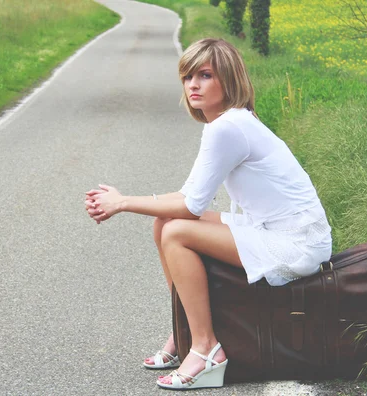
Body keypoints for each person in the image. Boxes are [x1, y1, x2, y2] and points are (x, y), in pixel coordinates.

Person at [84, 38, 332, 390]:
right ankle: (184, 332)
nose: (193, 85)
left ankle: (205, 349)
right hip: (277, 229)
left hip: (295, 241)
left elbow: (190, 205)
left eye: (205, 75)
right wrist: (125, 200)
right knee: (164, 224)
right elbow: (188, 197)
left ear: (228, 81)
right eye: (187, 77)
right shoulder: (227, 122)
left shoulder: (227, 127)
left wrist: (122, 203)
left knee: (176, 232)